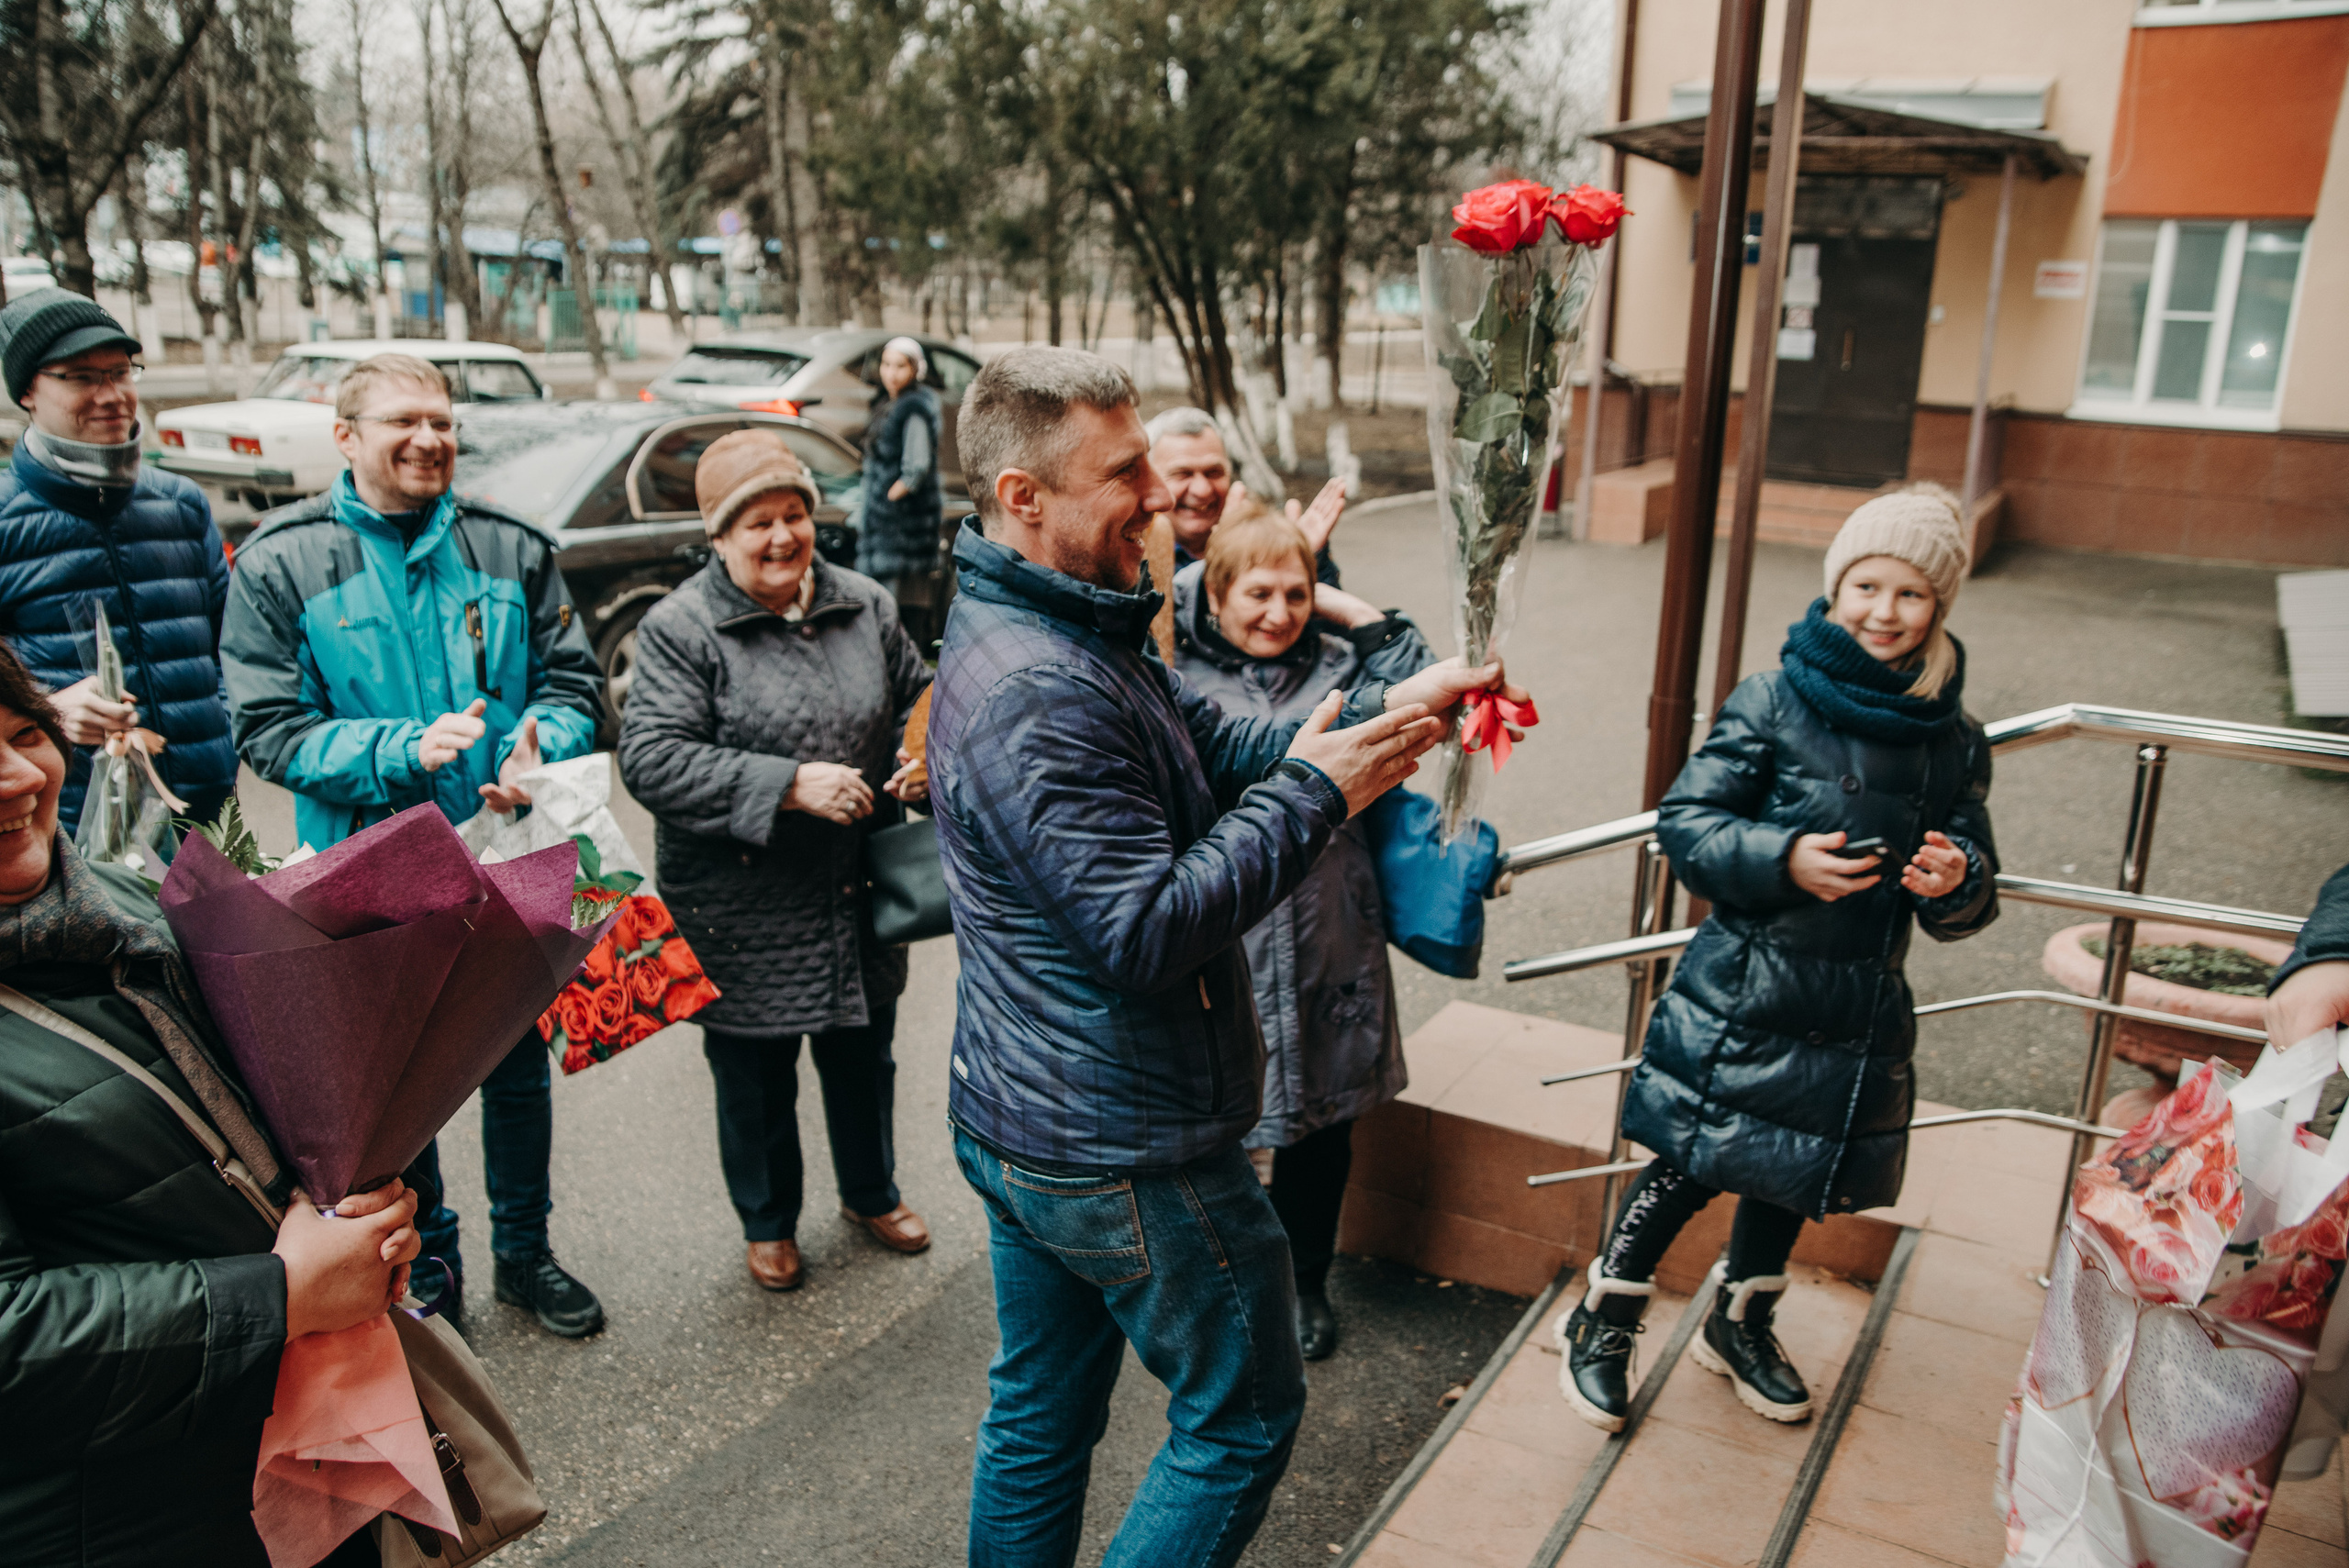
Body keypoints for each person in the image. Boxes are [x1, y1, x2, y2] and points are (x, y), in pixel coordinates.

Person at [930, 345, 1519, 1568]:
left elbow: (1224, 744)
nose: (1160, 495)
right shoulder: (1041, 682)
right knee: (1242, 1416)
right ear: (1023, 497)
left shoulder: (1074, 619)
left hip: (1034, 1109)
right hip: (1119, 1139)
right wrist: (1316, 793)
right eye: (1124, 472)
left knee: (1040, 1414)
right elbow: (1143, 929)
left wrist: (1395, 710)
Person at [1564, 483, 1998, 1434]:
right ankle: (1604, 1315)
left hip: (1853, 1002)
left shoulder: (1954, 737)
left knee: (1793, 1168)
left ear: (1939, 605)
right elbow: (1688, 823)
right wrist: (1783, 856)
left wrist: (1955, 878)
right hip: (1747, 989)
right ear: (1837, 586)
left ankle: (1740, 1321)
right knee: (1688, 1162)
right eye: (1868, 585)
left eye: (1911, 593)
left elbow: (1973, 876)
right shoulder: (1773, 698)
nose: (1884, 611)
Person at [0, 640, 422, 1566]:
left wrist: (365, 1199)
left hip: (299, 1435)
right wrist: (279, 1295)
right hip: (117, 1519)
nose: (20, 777)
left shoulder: (129, 894)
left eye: (26, 732)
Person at [221, 353, 607, 1339]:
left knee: (514, 1070)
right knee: (400, 1096)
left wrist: (539, 743)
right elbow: (267, 731)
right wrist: (399, 749)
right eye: (403, 420)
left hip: (502, 855)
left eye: (441, 420)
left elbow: (573, 685)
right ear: (345, 436)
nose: (429, 438)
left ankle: (527, 1252)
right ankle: (432, 1273)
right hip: (368, 874)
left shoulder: (510, 545)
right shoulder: (279, 561)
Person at [618, 428, 934, 1294]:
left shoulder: (865, 603)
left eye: (794, 514)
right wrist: (787, 785)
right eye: (757, 523)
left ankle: (871, 1193)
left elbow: (918, 699)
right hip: (742, 902)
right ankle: (769, 1221)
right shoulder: (681, 627)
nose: (783, 536)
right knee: (754, 1077)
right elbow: (651, 758)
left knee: (864, 1054)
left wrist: (923, 756)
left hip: (857, 887)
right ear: (719, 537)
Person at [1168, 501, 1437, 1361]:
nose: (1279, 612)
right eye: (1257, 593)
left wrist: (1340, 605)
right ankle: (1220, 1285)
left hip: (1332, 933)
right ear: (1214, 595)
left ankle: (1305, 1279)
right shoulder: (1177, 680)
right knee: (1214, 1127)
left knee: (1324, 1121)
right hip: (1227, 937)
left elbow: (1427, 677)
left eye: (1296, 593)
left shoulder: (1339, 669)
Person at [0, 288, 239, 836]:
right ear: (28, 391)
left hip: (206, 813)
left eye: (121, 372)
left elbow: (229, 646)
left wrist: (223, 734)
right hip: (71, 822)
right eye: (82, 377)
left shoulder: (180, 504)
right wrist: (46, 711)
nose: (111, 395)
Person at [1144, 405, 1345, 583]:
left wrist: (1307, 562)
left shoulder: (1263, 542)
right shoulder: (1137, 554)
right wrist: (1224, 555)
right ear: (1149, 480)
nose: (1202, 490)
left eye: (1214, 472)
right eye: (1182, 474)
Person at [857, 336, 948, 651]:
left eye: (900, 366)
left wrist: (889, 498)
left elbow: (916, 468)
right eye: (886, 365)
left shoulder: (913, 408)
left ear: (915, 370)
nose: (891, 373)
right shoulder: (885, 403)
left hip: (902, 526)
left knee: (897, 605)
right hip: (887, 525)